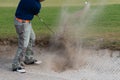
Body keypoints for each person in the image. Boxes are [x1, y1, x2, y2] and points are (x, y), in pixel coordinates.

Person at [12, 0, 45, 73]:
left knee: (32, 38)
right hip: (22, 23)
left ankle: (28, 58)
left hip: (26, 22)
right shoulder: (36, 5)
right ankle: (16, 65)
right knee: (23, 44)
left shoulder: (36, 3)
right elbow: (36, 12)